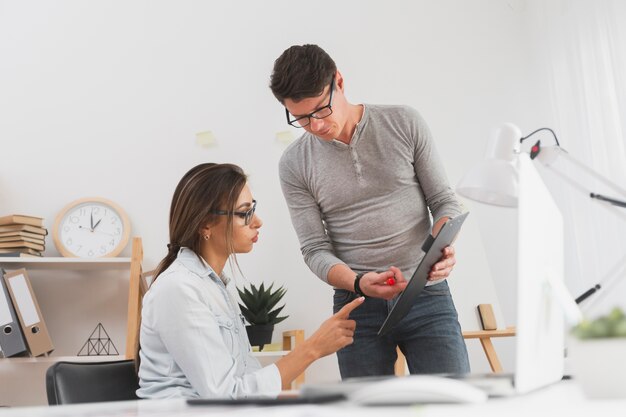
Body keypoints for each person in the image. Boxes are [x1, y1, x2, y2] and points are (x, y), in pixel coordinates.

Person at [269, 44, 470, 378]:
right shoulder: (293, 164)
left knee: (454, 402)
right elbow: (315, 249)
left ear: (340, 82)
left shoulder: (404, 122)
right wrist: (360, 282)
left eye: (320, 110)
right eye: (301, 118)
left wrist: (441, 249)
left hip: (426, 297)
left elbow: (444, 201)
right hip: (356, 307)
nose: (315, 125)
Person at [137, 163, 364, 399]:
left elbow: (244, 382)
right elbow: (226, 396)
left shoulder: (214, 287)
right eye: (245, 213)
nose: (257, 222)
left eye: (252, 209)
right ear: (205, 224)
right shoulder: (179, 289)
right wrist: (313, 348)